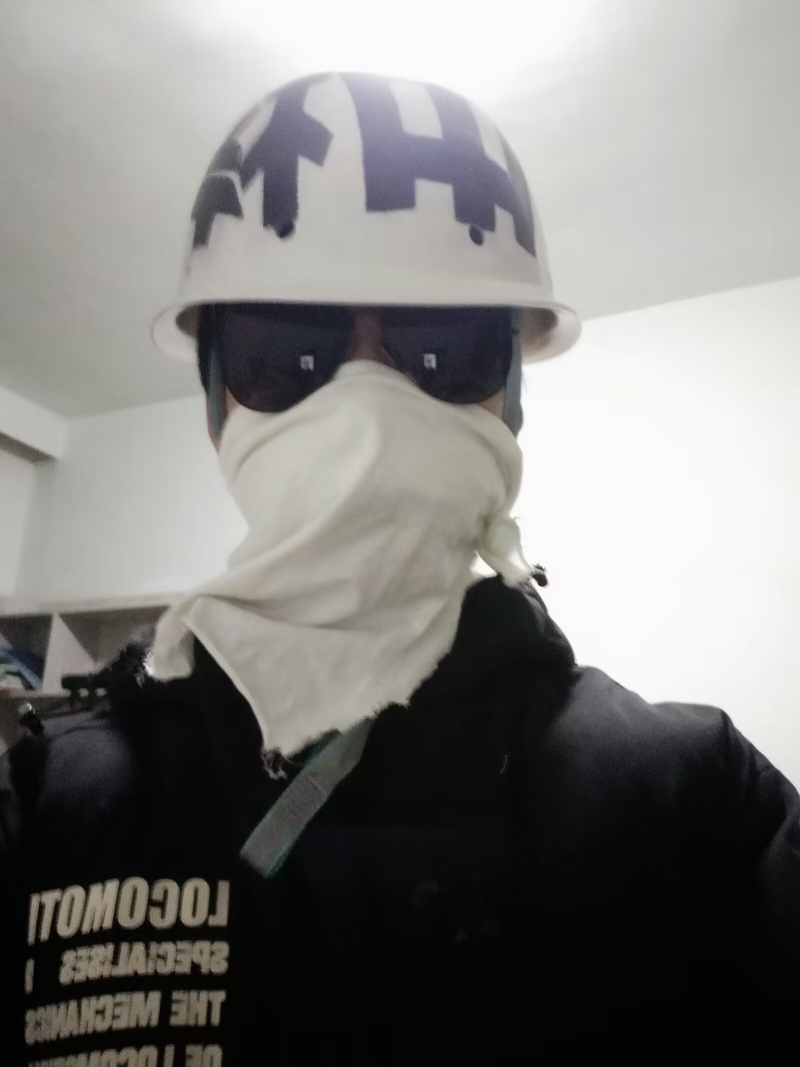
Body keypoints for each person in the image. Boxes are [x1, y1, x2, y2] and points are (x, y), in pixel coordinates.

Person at [1, 72, 798, 1066]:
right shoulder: (53, 803)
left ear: (508, 400)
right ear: (215, 408)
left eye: (442, 346)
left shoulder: (687, 797)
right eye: (284, 353)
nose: (367, 400)